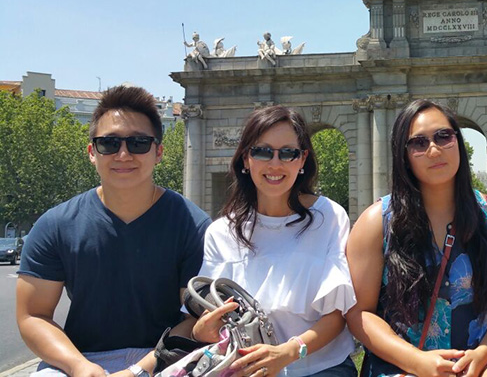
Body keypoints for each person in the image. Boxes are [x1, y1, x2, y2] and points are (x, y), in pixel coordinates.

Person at [17, 85, 211, 377]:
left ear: (158, 152)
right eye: (109, 143)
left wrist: (137, 371)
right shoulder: (54, 224)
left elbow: (196, 318)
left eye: (138, 143)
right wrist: (79, 366)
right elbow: (33, 315)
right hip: (81, 358)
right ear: (92, 152)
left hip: (165, 359)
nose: (123, 154)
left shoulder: (193, 225)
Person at [346, 99, 487, 377]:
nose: (434, 149)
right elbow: (360, 313)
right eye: (418, 143)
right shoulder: (375, 223)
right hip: (401, 364)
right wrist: (417, 362)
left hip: (480, 358)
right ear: (402, 154)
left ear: (458, 142)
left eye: (444, 136)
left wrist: (482, 354)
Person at [184, 105, 357, 377]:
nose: (275, 164)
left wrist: (288, 352)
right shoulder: (220, 232)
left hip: (321, 369)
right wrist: (201, 330)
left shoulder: (331, 217)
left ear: (302, 160)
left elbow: (337, 317)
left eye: (288, 153)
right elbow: (204, 319)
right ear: (245, 158)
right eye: (263, 151)